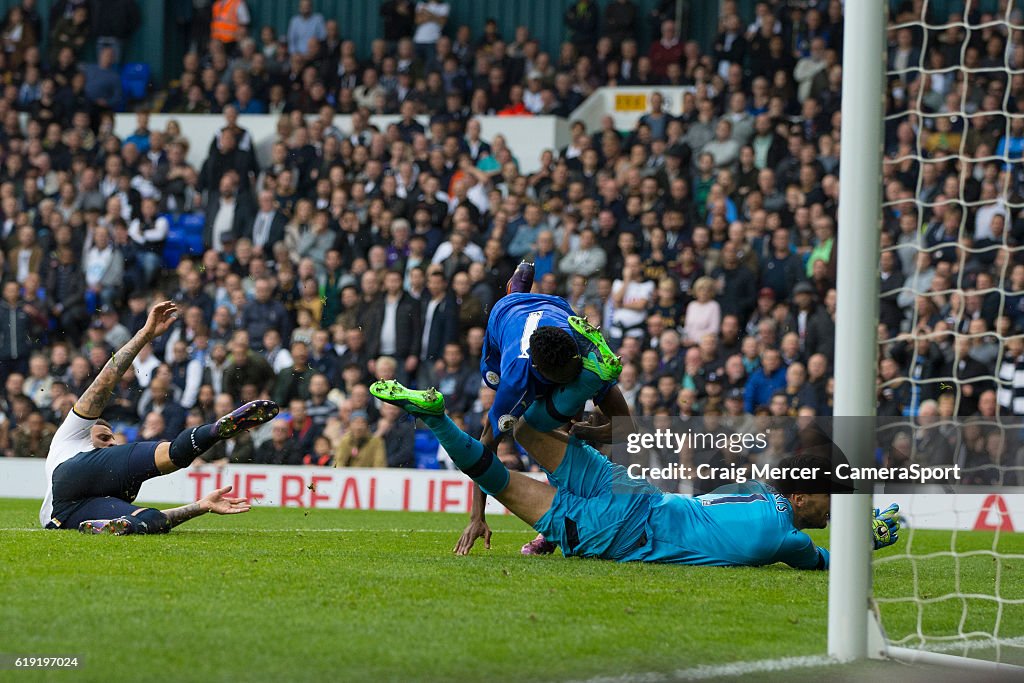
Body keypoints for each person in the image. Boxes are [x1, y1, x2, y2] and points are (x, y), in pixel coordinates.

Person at [370, 379, 902, 568]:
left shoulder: (759, 489)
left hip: (633, 492)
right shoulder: (782, 537)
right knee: (502, 481)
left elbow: (806, 463)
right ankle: (435, 418)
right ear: (807, 496)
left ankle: (582, 379)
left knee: (530, 431)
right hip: (616, 530)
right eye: (834, 501)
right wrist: (866, 541)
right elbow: (822, 562)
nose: (834, 512)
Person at [40, 301, 279, 534]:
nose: (112, 442)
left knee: (152, 520)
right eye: (104, 437)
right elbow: (104, 382)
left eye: (112, 438)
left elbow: (164, 517)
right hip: (69, 479)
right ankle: (214, 432)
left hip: (63, 518)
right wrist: (144, 334)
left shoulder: (114, 480)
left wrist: (200, 506)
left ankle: (102, 527)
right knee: (172, 453)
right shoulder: (71, 435)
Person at [455, 275, 634, 556]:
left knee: (554, 424)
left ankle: (554, 527)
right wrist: (477, 516)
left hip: (557, 308)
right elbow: (485, 446)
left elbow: (627, 429)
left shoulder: (584, 354)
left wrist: (587, 432)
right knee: (518, 423)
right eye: (564, 380)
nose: (572, 380)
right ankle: (515, 289)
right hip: (504, 316)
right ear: (543, 372)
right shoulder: (515, 381)